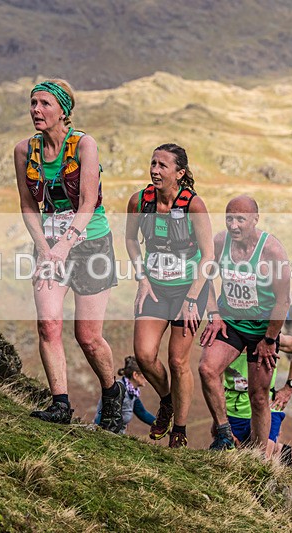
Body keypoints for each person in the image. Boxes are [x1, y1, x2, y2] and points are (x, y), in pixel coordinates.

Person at [14, 79, 123, 431]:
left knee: (88, 336)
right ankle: (60, 403)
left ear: (63, 110)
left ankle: (111, 391)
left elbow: (88, 202)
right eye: (32, 103)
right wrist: (46, 250)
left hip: (90, 244)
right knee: (48, 324)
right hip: (48, 248)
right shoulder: (23, 151)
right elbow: (28, 206)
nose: (35, 110)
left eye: (44, 103)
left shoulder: (84, 145)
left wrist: (64, 245)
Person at [124, 143, 215, 448]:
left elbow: (208, 256)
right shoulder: (140, 201)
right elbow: (130, 240)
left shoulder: (193, 205)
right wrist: (141, 277)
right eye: (153, 163)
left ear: (180, 173)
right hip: (155, 287)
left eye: (163, 165)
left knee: (178, 361)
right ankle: (167, 401)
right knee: (145, 355)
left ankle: (180, 429)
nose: (155, 170)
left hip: (189, 291)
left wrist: (192, 299)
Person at [198, 195, 292, 458]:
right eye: (229, 218)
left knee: (259, 397)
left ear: (255, 220)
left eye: (241, 219)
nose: (234, 225)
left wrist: (270, 339)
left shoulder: (272, 251)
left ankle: (260, 458)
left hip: (263, 330)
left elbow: (283, 300)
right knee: (207, 368)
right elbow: (204, 277)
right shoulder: (219, 242)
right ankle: (224, 434)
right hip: (231, 322)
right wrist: (214, 313)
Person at [217, 334, 292, 448]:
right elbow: (214, 379)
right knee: (233, 457)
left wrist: (289, 387)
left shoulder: (268, 339)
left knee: (263, 457)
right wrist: (219, 419)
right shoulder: (227, 338)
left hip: (267, 408)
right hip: (234, 410)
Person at [94, 356, 156, 434]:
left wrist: (163, 426)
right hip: (106, 434)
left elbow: (142, 413)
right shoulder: (118, 389)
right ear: (135, 375)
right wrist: (98, 431)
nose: (147, 379)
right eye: (145, 375)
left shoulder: (132, 393)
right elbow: (104, 411)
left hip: (118, 435)